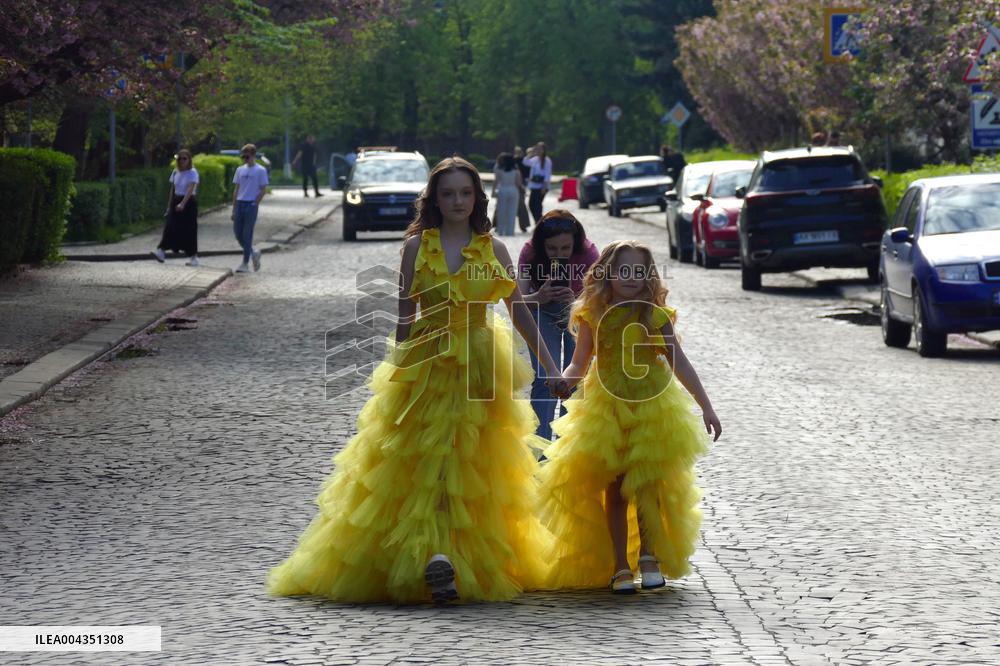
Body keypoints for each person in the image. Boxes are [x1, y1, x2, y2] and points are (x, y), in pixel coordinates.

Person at [267, 157, 568, 604]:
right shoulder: (415, 247)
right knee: (423, 464)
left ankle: (454, 557)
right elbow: (404, 317)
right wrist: (396, 378)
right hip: (427, 363)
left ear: (477, 198)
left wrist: (551, 368)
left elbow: (519, 313)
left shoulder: (494, 250)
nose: (458, 201)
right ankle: (433, 555)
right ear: (434, 200)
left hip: (479, 369)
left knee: (470, 466)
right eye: (448, 194)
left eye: (465, 193)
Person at [537, 240, 722, 594]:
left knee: (648, 483)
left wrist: (706, 406)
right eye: (623, 270)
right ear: (606, 273)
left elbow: (679, 361)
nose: (631, 277)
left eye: (639, 271)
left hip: (652, 405)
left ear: (649, 276)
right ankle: (620, 565)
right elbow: (579, 362)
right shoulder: (593, 315)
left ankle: (649, 558)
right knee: (617, 487)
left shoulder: (654, 315)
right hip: (606, 408)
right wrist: (565, 380)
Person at [516, 210, 599, 441]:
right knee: (545, 378)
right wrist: (538, 297)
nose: (559, 254)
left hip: (580, 317)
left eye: (565, 248)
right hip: (542, 312)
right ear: (542, 245)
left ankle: (567, 445)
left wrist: (576, 300)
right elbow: (516, 300)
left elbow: (600, 299)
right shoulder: (530, 252)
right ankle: (541, 447)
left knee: (576, 380)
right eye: (552, 248)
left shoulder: (589, 253)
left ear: (576, 244)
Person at [152, 149, 200, 266]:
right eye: (179, 158)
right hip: (176, 200)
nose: (182, 161)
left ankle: (193, 257)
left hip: (188, 202)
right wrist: (169, 206)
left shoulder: (192, 172)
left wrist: (183, 203)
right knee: (170, 226)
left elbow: (190, 189)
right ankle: (161, 251)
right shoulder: (175, 172)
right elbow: (172, 190)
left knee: (189, 230)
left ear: (189, 160)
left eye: (184, 158)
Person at [231, 143, 269, 274]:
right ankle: (254, 251)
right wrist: (234, 207)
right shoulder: (240, 170)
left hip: (250, 204)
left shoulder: (260, 170)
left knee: (247, 234)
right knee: (238, 233)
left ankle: (245, 263)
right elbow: (236, 189)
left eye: (247, 157)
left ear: (253, 156)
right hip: (240, 203)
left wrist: (255, 202)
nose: (245, 159)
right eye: (243, 157)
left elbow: (263, 189)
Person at [490, 152, 522, 237]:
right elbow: (518, 183)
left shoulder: (499, 170)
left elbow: (496, 181)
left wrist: (493, 191)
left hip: (502, 190)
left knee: (501, 211)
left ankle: (501, 230)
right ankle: (510, 231)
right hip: (513, 190)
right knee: (512, 212)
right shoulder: (516, 170)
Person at [525, 141, 552, 225]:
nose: (539, 150)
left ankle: (540, 223)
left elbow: (547, 174)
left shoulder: (547, 161)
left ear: (544, 150)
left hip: (541, 187)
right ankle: (539, 222)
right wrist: (531, 153)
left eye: (540, 149)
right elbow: (525, 161)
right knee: (531, 205)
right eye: (537, 149)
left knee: (537, 206)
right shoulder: (535, 159)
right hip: (534, 186)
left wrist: (544, 187)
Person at [514, 146, 532, 232]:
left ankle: (498, 224)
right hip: (521, 183)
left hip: (516, 184)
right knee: (521, 206)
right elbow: (528, 172)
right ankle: (523, 225)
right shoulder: (523, 161)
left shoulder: (513, 160)